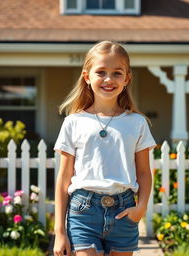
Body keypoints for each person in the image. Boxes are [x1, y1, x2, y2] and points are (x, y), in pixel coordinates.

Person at [53, 41, 156, 256]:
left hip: (124, 211)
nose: (109, 79)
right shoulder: (73, 122)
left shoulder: (137, 123)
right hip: (83, 213)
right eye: (101, 72)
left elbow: (144, 172)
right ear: (87, 76)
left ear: (127, 79)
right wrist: (59, 232)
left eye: (117, 73)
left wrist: (141, 209)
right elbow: (63, 178)